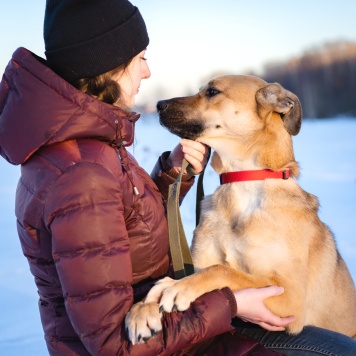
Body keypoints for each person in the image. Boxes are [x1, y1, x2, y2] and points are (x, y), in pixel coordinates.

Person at [0, 1, 355, 355]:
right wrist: (227, 299)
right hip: (174, 340)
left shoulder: (92, 148)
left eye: (211, 94)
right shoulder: (82, 172)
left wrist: (173, 176)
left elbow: (124, 220)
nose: (148, 72)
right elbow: (113, 340)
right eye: (140, 58)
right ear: (109, 66)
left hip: (189, 329)